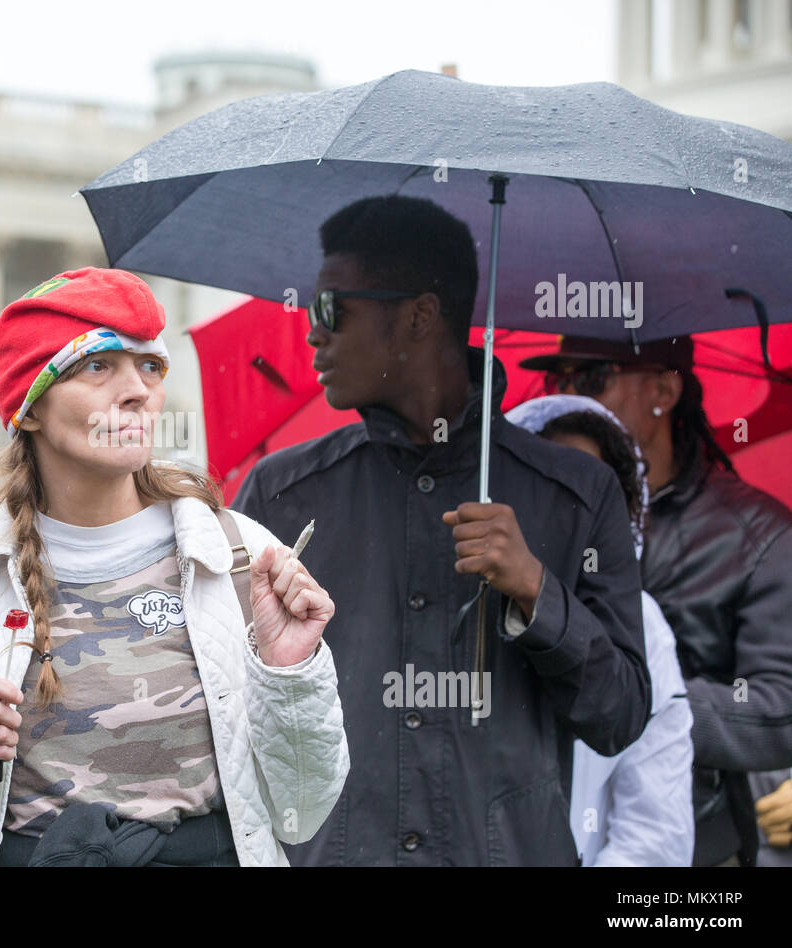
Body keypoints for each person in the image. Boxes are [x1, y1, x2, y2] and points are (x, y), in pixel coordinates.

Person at [0, 267, 348, 866]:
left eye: (150, 366)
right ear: (30, 407)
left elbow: (302, 808)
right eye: (98, 366)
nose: (139, 391)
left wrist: (291, 674)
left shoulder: (239, 554)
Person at [233, 195, 650, 866]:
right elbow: (227, 712)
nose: (313, 335)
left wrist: (539, 596)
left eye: (332, 310)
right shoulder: (282, 494)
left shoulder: (575, 495)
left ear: (421, 316)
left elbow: (620, 717)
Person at [523, 333, 792, 866]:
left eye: (593, 378)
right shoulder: (531, 520)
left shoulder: (760, 534)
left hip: (701, 844)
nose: (574, 392)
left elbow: (781, 712)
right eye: (561, 379)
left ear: (664, 391)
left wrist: (634, 691)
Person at [507, 394, 694, 866]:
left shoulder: (643, 626)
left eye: (590, 492)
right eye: (551, 483)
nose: (570, 506)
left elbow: (655, 835)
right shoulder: (459, 601)